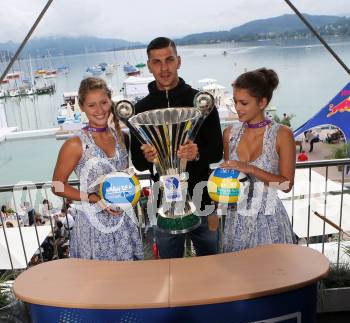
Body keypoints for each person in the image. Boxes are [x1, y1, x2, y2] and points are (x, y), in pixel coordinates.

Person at [130, 37, 223, 259]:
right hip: (164, 204)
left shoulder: (201, 102)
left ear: (179, 61)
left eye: (169, 60)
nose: (164, 68)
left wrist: (197, 153)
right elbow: (138, 162)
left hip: (203, 198)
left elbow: (217, 151)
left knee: (212, 265)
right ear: (149, 65)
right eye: (157, 62)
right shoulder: (141, 109)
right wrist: (148, 157)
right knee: (170, 272)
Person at [52, 77, 143, 260]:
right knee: (98, 284)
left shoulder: (122, 136)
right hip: (93, 227)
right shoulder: (75, 144)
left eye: (103, 102)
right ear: (82, 107)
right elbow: (57, 186)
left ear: (111, 101)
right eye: (92, 105)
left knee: (130, 280)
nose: (99, 110)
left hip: (124, 222)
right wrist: (92, 198)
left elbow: (124, 177)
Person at [221, 68, 296, 252]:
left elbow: (286, 186)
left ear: (262, 102)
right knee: (237, 278)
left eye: (244, 103)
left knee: (273, 278)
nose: (237, 108)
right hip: (235, 220)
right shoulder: (229, 134)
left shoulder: (282, 134)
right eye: (235, 101)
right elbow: (231, 182)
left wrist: (250, 169)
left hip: (270, 222)